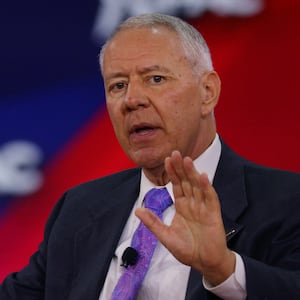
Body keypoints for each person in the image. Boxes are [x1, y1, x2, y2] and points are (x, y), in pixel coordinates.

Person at [1, 13, 300, 300]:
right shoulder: (79, 208)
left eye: (155, 79)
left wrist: (224, 271)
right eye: (118, 85)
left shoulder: (287, 201)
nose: (131, 100)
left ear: (207, 91)